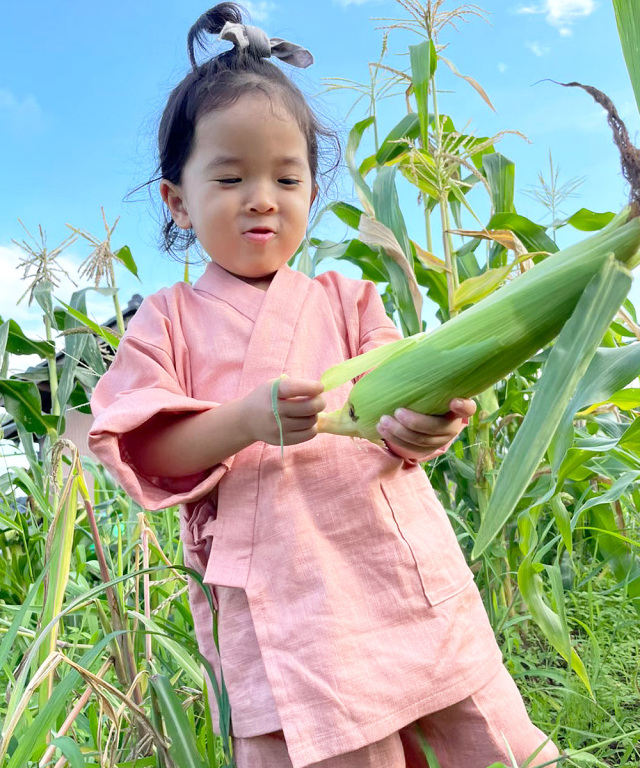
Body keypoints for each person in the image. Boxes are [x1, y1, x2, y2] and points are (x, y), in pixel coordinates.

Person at [88, 4, 561, 767]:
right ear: (177, 199)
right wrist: (244, 419)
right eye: (231, 177)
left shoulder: (350, 300)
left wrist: (427, 424)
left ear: (313, 188)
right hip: (289, 619)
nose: (262, 197)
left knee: (490, 741)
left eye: (287, 176)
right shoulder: (166, 321)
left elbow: (413, 392)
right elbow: (150, 445)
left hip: (396, 573)